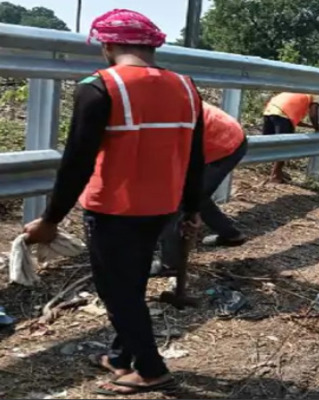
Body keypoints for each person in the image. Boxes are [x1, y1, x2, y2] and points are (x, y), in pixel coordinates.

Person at [23, 9, 204, 396]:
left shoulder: (101, 85)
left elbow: (76, 162)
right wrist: (192, 209)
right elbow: (195, 156)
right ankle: (121, 357)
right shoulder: (187, 87)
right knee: (131, 282)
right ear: (152, 45)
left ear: (107, 45)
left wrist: (50, 220)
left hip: (114, 209)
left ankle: (152, 369)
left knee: (117, 290)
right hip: (163, 205)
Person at [153, 102, 248, 275]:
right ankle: (231, 234)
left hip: (225, 143)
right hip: (211, 136)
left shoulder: (163, 119)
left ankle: (170, 264)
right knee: (195, 196)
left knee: (179, 200)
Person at [262, 92, 319, 183]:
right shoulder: (317, 93)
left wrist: (312, 126)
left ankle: (277, 171)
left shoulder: (298, 89)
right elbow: (313, 114)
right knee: (284, 146)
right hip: (283, 114)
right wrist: (318, 128)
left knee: (270, 144)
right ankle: (275, 175)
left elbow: (294, 120)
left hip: (269, 110)